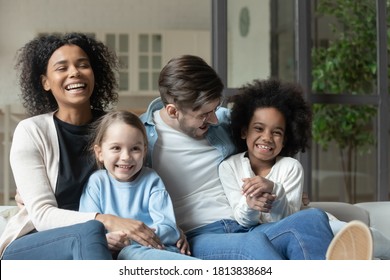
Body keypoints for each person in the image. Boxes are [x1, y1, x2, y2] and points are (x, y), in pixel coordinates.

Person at [140, 54, 335, 260]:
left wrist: (284, 188)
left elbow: (266, 145)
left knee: (312, 218)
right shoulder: (139, 139)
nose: (215, 119)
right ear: (173, 111)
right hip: (200, 236)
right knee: (253, 245)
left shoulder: (224, 120)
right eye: (205, 114)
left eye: (215, 108)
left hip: (245, 223)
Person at [0, 33, 169, 259]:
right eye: (62, 68)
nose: (74, 72)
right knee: (89, 231)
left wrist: (169, 231)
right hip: (34, 241)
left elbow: (140, 189)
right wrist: (105, 221)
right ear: (45, 82)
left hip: (103, 239)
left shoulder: (117, 129)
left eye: (83, 65)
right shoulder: (31, 131)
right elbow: (41, 215)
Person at [219, 78, 388, 259]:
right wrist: (250, 205)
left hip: (312, 227)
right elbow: (243, 220)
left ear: (285, 139)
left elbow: (288, 219)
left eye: (277, 132)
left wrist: (274, 189)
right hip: (281, 237)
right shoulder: (229, 167)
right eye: (259, 128)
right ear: (244, 131)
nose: (267, 138)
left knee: (362, 237)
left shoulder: (291, 167)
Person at [79, 110, 196, 260]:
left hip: (158, 250)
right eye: (116, 148)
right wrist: (106, 240)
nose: (126, 157)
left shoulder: (151, 180)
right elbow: (88, 228)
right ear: (100, 152)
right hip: (119, 254)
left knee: (132, 252)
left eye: (135, 148)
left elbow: (169, 229)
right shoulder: (97, 183)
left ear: (144, 150)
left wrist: (130, 239)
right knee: (126, 254)